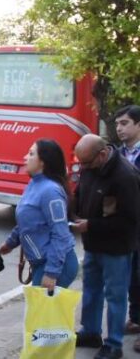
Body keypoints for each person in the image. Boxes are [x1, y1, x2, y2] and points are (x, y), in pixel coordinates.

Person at [71, 134, 140, 359]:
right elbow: (80, 191)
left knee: (115, 296)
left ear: (102, 155)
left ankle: (114, 344)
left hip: (117, 248)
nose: (83, 168)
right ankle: (90, 332)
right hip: (92, 244)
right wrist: (72, 212)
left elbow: (129, 220)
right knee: (91, 290)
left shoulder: (125, 176)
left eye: (86, 163)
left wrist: (91, 225)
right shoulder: (90, 165)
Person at [0, 139, 78, 290]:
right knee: (41, 313)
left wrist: (52, 272)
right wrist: (10, 243)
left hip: (55, 265)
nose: (25, 157)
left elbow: (60, 233)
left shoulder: (51, 191)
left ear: (43, 161)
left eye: (31, 154)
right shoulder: (34, 183)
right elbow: (27, 221)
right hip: (42, 263)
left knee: (43, 313)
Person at [115, 105, 140, 350]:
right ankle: (136, 319)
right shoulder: (118, 154)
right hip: (127, 226)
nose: (120, 128)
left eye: (125, 123)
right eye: (117, 124)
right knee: (132, 275)